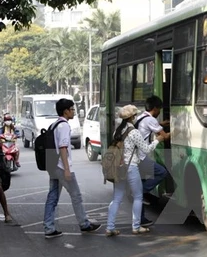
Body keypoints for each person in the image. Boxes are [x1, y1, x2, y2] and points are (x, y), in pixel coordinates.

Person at [43, 98, 101, 239]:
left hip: (53, 166)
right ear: (66, 111)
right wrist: (67, 169)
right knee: (76, 196)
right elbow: (63, 148)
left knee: (52, 197)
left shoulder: (54, 125)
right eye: (72, 109)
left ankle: (49, 227)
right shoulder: (64, 126)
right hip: (62, 166)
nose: (74, 111)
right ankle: (84, 224)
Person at [106, 104, 165, 236]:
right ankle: (136, 226)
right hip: (131, 167)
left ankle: (110, 227)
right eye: (135, 115)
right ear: (132, 117)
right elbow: (147, 149)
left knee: (116, 199)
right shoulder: (134, 132)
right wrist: (157, 140)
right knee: (138, 196)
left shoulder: (118, 131)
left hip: (119, 168)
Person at [135, 95, 170, 226]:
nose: (160, 111)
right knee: (162, 172)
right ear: (155, 109)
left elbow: (147, 127)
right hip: (142, 157)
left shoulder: (141, 117)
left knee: (142, 183)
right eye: (159, 109)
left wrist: (161, 124)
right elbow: (164, 136)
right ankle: (142, 191)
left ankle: (141, 219)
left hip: (136, 157)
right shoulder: (150, 120)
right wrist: (177, 131)